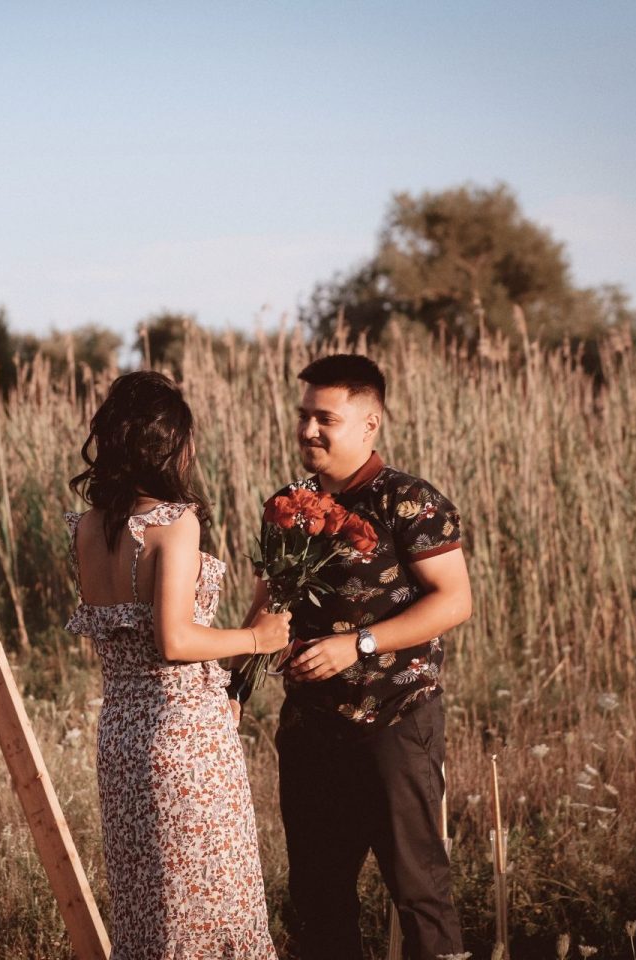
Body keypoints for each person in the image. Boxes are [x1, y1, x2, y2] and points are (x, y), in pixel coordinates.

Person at [233, 354, 472, 960]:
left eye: (326, 418)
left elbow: (454, 602)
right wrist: (233, 689)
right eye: (303, 416)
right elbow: (266, 608)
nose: (309, 430)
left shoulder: (409, 502)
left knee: (419, 894)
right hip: (311, 730)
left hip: (395, 721)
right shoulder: (288, 505)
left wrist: (357, 644)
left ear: (370, 424)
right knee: (316, 897)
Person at [64, 371, 290, 958]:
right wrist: (256, 638)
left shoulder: (89, 528)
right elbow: (173, 639)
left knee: (151, 912)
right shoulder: (175, 523)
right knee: (210, 909)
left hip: (122, 736)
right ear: (172, 445)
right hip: (183, 742)